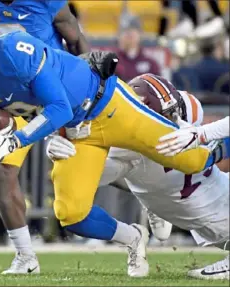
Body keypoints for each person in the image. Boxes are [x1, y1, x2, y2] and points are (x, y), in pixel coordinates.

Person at [0, 8, 227, 277]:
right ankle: (134, 237)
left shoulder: (16, 52)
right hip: (76, 132)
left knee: (191, 159)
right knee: (71, 213)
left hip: (108, 105)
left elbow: (58, 106)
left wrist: (16, 140)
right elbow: (13, 113)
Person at [0, 0, 89, 273]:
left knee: (99, 158)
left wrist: (88, 90)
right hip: (7, 100)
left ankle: (148, 191)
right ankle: (25, 256)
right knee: (1, 166)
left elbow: (75, 39)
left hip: (52, 94)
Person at [47, 73, 229, 280]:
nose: (171, 119)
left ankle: (153, 204)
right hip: (198, 206)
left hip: (208, 202)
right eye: (165, 115)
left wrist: (209, 145)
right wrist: (62, 151)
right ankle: (143, 218)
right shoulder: (124, 145)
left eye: (173, 112)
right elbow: (87, 178)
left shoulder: (187, 107)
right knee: (75, 207)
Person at [115, 15, 161, 82]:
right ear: (118, 36)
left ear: (140, 34)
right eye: (125, 31)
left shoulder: (151, 64)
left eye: (132, 30)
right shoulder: (111, 64)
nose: (129, 33)